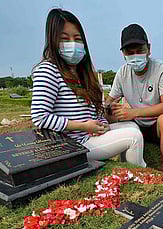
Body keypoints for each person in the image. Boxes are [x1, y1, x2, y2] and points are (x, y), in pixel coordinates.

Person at [31, 9, 146, 167]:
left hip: (89, 135)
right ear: (53, 41)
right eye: (65, 39)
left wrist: (101, 124)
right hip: (74, 144)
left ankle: (126, 167)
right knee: (133, 137)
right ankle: (141, 175)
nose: (73, 43)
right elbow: (40, 117)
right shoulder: (48, 70)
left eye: (77, 39)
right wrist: (84, 126)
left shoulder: (80, 72)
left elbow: (92, 112)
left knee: (132, 126)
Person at [105, 24, 163, 174]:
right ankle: (115, 163)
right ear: (123, 54)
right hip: (136, 125)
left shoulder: (161, 69)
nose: (135, 56)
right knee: (110, 113)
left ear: (148, 49)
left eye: (140, 51)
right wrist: (110, 107)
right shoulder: (122, 73)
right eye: (130, 53)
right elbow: (109, 101)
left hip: (156, 126)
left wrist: (133, 113)